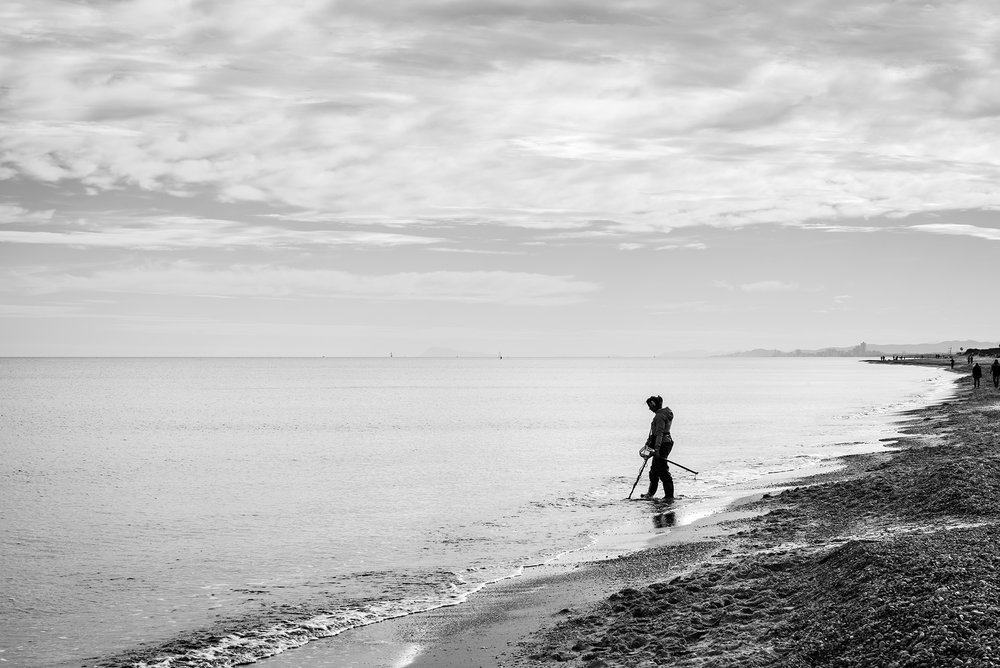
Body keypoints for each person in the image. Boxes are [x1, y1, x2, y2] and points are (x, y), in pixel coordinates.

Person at [640, 395, 674, 500]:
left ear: (654, 405)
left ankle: (669, 496)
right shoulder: (663, 414)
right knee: (654, 470)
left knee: (662, 469)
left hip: (662, 444)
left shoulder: (659, 416)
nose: (649, 408)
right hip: (665, 443)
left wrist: (657, 449)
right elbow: (654, 435)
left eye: (650, 406)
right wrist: (648, 446)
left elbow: (659, 433)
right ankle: (650, 494)